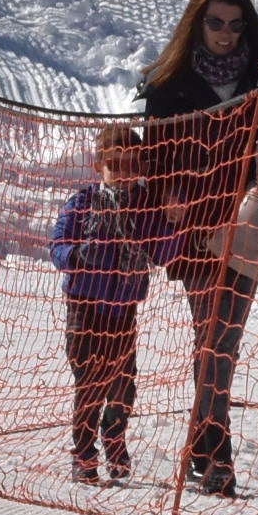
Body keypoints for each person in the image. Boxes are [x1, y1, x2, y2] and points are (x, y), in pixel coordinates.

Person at [140, 0, 258, 498]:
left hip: (249, 226)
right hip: (198, 229)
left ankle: (208, 450)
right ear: (197, 23)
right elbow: (154, 158)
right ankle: (215, 453)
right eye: (215, 23)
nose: (226, 33)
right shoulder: (170, 83)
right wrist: (170, 198)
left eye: (235, 24)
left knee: (220, 340)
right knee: (213, 335)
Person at [49, 125, 185, 484]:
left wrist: (173, 222)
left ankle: (114, 434)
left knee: (123, 387)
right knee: (90, 384)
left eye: (130, 164)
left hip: (124, 309)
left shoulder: (146, 207)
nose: (123, 173)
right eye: (114, 164)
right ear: (99, 165)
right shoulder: (83, 202)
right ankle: (83, 455)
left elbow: (162, 253)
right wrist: (77, 255)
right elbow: (57, 245)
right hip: (85, 306)